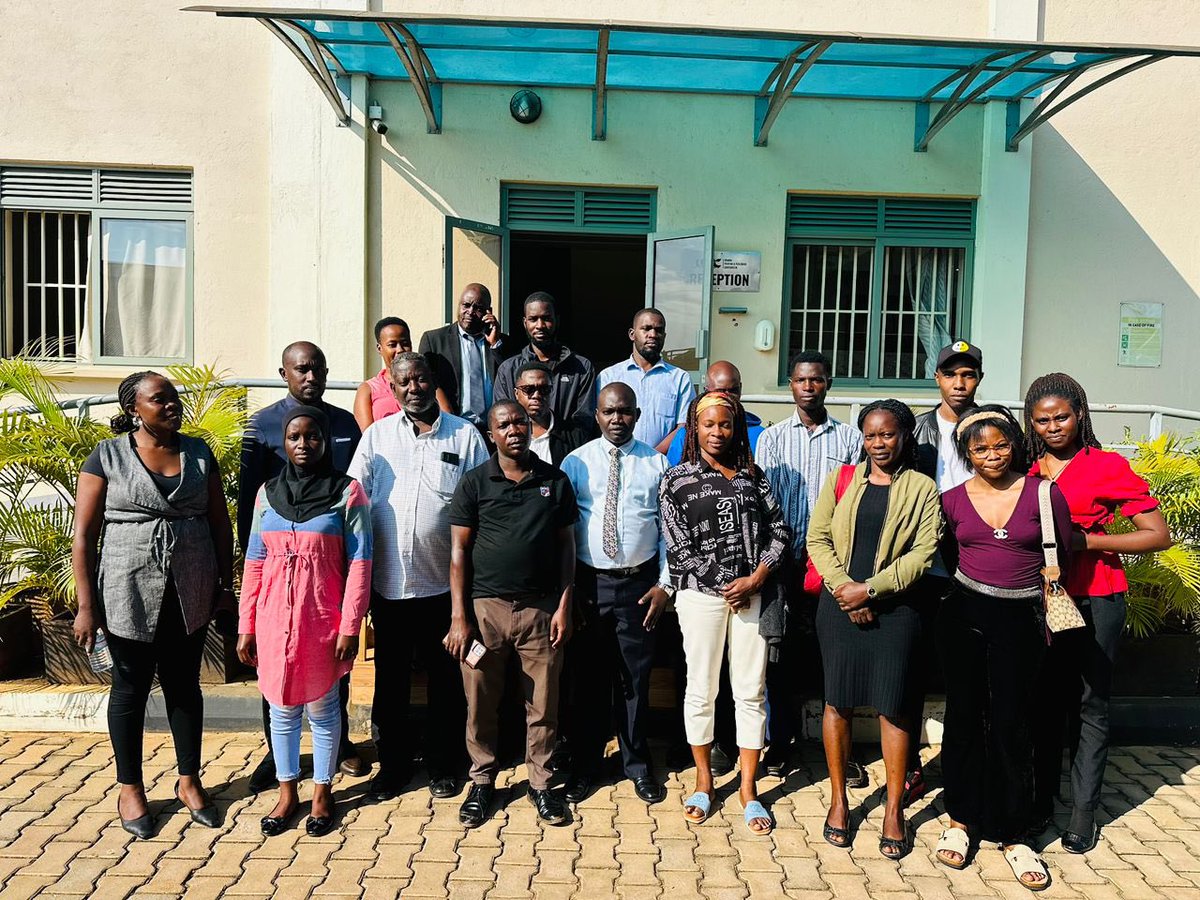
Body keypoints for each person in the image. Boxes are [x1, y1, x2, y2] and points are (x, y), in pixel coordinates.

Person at [72, 371, 234, 838]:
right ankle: (130, 787)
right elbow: (84, 535)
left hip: (192, 585)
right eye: (158, 399)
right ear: (133, 409)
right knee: (130, 689)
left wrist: (225, 586)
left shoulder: (199, 453)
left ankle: (188, 779)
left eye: (173, 398)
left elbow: (221, 525)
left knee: (185, 685)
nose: (171, 405)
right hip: (127, 588)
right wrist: (87, 606)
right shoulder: (106, 456)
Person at [1026, 373, 1171, 853]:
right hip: (1041, 600)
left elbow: (1157, 534)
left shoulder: (1106, 466)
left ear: (1081, 414)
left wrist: (1089, 541)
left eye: (1062, 416)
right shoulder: (1024, 467)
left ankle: (1083, 812)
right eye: (1043, 419)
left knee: (1090, 705)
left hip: (1098, 597)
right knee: (1045, 703)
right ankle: (1041, 801)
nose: (1052, 427)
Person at [935, 405, 1071, 891]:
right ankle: (961, 820)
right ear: (966, 453)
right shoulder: (950, 500)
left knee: (1014, 723)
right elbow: (949, 555)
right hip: (965, 617)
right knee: (965, 718)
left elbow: (1065, 550)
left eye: (1000, 445)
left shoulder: (1043, 492)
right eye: (979, 447)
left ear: (1015, 444)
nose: (991, 455)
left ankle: (1014, 834)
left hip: (1024, 618)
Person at [347, 353, 488, 800]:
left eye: (421, 379)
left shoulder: (464, 435)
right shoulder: (376, 437)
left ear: (432, 382)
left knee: (446, 682)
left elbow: (483, 505)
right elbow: (354, 503)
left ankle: (444, 764)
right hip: (388, 586)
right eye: (404, 381)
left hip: (443, 588)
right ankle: (393, 766)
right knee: (391, 684)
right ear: (392, 384)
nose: (413, 388)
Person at [806, 400, 942, 860]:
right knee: (837, 702)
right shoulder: (842, 480)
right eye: (870, 435)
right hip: (838, 604)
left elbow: (923, 554)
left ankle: (892, 809)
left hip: (897, 610)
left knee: (895, 707)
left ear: (905, 436)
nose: (878, 443)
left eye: (887, 434)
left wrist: (872, 591)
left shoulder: (924, 488)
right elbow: (817, 538)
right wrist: (847, 589)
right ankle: (840, 801)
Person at [237, 406, 372, 837]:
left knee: (323, 708)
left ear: (325, 441)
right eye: (294, 437)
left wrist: (351, 626)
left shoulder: (347, 493)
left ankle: (322, 791)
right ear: (285, 441)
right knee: (282, 709)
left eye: (312, 437)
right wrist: (247, 624)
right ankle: (287, 791)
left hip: (321, 619)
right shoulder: (266, 494)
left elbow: (361, 562)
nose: (303, 444)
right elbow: (255, 562)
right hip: (274, 619)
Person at [659, 392, 791, 836]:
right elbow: (678, 546)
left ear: (736, 429)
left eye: (726, 425)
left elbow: (781, 530)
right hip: (700, 598)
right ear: (694, 429)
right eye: (709, 424)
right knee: (701, 689)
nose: (718, 432)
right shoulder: (676, 479)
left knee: (750, 692)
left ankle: (749, 790)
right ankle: (704, 781)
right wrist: (723, 584)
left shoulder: (754, 476)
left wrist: (755, 578)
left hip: (752, 595)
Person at [445, 400, 579, 828]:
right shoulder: (474, 483)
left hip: (541, 612)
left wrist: (563, 606)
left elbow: (567, 549)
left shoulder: (554, 481)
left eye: (520, 421)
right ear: (492, 434)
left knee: (543, 704)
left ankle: (541, 785)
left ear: (531, 426)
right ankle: (482, 781)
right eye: (504, 424)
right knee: (480, 702)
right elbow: (459, 551)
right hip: (485, 613)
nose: (514, 429)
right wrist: (459, 617)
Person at [560, 383, 672, 805]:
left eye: (625, 412)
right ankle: (586, 766)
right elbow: (565, 533)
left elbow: (668, 534)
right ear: (597, 414)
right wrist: (568, 592)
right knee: (586, 680)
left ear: (637, 415)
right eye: (609, 412)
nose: (617, 419)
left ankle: (636, 765)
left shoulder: (657, 464)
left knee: (635, 681)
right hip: (589, 584)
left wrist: (664, 585)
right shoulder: (576, 463)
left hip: (639, 587)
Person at [755, 350, 863, 778]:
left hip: (832, 564)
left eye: (816, 380)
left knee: (836, 657)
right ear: (790, 385)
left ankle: (844, 751)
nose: (808, 387)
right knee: (780, 657)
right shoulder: (772, 439)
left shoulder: (850, 439)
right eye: (800, 380)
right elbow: (760, 504)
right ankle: (781, 745)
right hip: (783, 563)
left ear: (828, 384)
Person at [905, 339, 984, 806]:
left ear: (978, 379)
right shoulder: (915, 431)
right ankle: (911, 764)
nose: (959, 382)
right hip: (924, 567)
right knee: (914, 667)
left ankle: (965, 761)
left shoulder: (993, 427)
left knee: (967, 671)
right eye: (951, 374)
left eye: (968, 374)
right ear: (936, 378)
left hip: (976, 568)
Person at [597, 308, 694, 453]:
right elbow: (599, 421)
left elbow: (683, 427)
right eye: (646, 329)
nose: (653, 335)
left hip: (663, 464)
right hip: (616, 460)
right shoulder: (609, 376)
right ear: (632, 334)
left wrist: (652, 457)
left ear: (664, 336)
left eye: (659, 330)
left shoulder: (680, 378)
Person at [494, 292, 597, 427]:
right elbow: (502, 417)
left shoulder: (581, 368)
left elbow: (584, 420)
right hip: (522, 446)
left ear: (557, 320)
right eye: (533, 319)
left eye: (546, 318)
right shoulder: (508, 369)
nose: (540, 325)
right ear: (525, 323)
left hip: (568, 447)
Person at [419, 283, 512, 427]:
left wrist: (495, 345)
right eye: (466, 305)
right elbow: (426, 384)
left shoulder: (502, 342)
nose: (470, 312)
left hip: (494, 430)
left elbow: (511, 379)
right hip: (452, 427)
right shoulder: (434, 340)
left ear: (489, 312)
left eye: (478, 308)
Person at [666, 361, 763, 465]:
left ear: (740, 388)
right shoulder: (687, 435)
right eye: (720, 391)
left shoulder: (760, 435)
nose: (728, 397)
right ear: (707, 391)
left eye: (733, 390)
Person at [512, 361, 593, 467]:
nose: (536, 395)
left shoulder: (576, 437)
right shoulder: (508, 435)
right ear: (516, 394)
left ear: (551, 391)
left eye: (544, 389)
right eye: (529, 389)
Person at [353, 317, 412, 431]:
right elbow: (368, 436)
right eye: (392, 344)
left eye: (405, 343)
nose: (400, 349)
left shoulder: (425, 383)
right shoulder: (368, 389)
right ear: (379, 348)